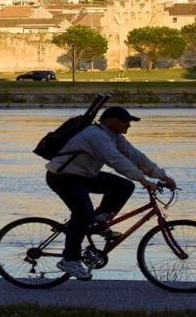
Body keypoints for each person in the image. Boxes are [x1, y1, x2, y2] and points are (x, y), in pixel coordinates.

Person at [45, 106, 176, 280]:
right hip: (63, 177)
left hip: (84, 175)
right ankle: (69, 260)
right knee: (83, 213)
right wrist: (143, 180)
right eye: (125, 121)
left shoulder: (114, 137)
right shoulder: (95, 135)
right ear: (110, 120)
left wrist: (163, 176)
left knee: (124, 186)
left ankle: (98, 221)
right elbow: (116, 160)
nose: (128, 125)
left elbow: (136, 157)